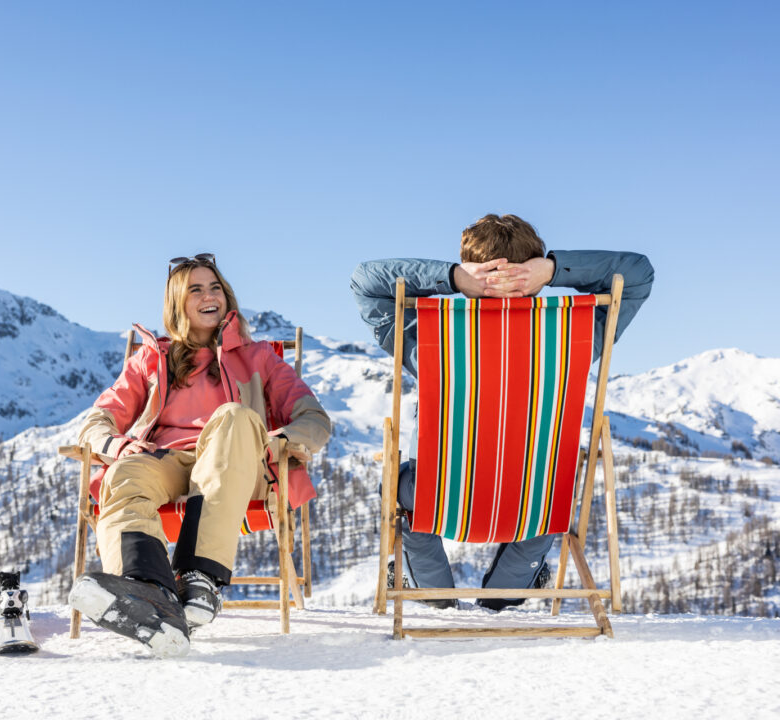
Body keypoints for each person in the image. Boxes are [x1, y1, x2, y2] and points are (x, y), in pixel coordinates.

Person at [350, 214, 654, 610]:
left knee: (403, 489)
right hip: (535, 496)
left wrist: (454, 278)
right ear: (534, 272)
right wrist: (553, 270)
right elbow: (638, 273)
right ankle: (504, 596)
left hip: (439, 493)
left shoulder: (431, 338)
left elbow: (365, 282)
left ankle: (434, 596)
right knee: (549, 490)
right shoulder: (575, 335)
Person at [69, 254, 330, 656]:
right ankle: (148, 591)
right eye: (196, 290)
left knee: (234, 416)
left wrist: (278, 440)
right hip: (168, 463)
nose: (210, 296)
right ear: (178, 304)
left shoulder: (259, 357)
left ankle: (199, 579)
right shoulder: (151, 359)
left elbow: (313, 418)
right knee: (125, 473)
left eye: (216, 288)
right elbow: (96, 422)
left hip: (237, 463)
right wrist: (120, 445)